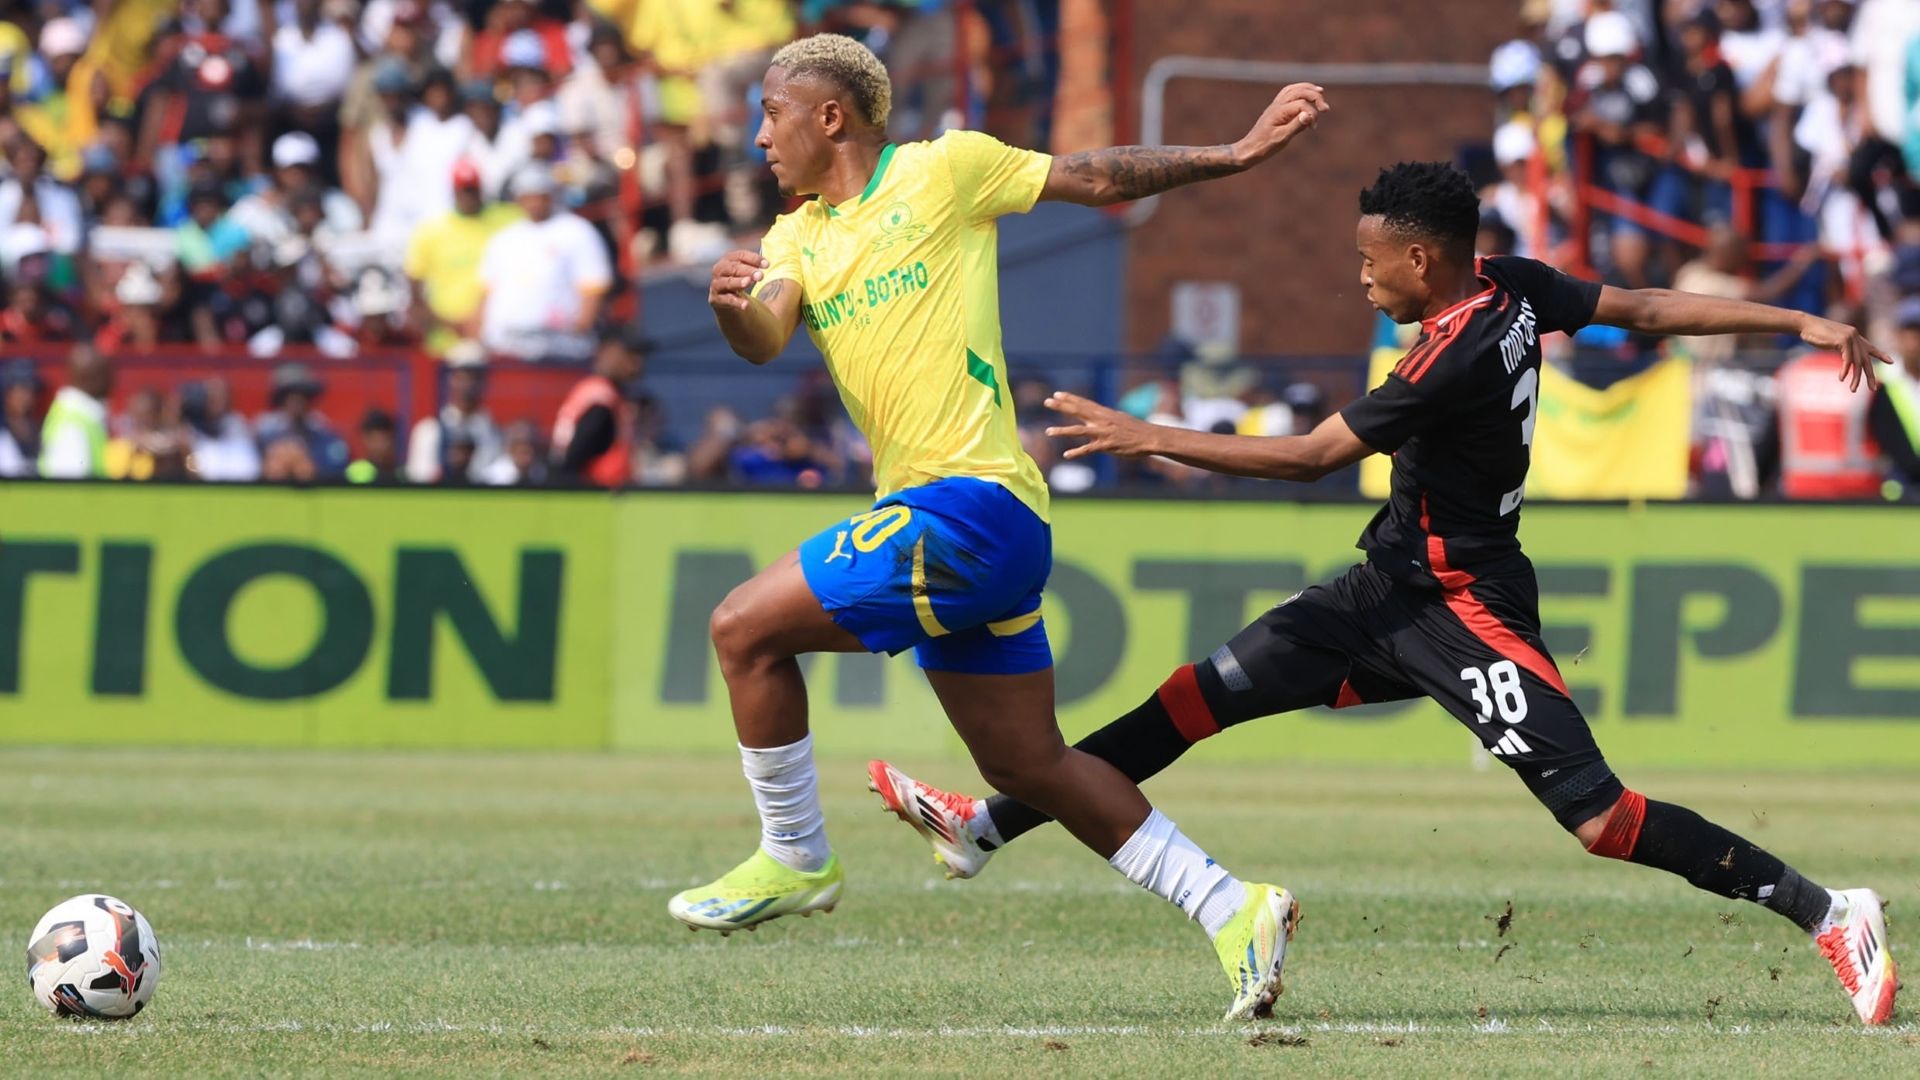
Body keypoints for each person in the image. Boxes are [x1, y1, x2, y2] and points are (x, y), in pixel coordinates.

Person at [870, 161, 1900, 1028]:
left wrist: (1156, 439)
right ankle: (987, 827)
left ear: (1419, 259)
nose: (1358, 280)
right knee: (1191, 699)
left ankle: (1828, 911)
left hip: (1463, 610)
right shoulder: (1510, 289)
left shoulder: (1451, 352)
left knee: (1598, 818)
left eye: (1369, 262)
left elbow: (1314, 457)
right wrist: (1792, 316)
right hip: (1380, 594)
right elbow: (1642, 308)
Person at [678, 32, 1331, 1020]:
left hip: (970, 506)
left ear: (830, 117)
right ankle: (1234, 907)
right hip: (972, 528)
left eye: (772, 112)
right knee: (1029, 768)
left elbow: (1098, 178)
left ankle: (795, 856)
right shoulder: (794, 240)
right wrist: (732, 307)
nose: (757, 134)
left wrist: (1233, 154)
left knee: (739, 627)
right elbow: (766, 334)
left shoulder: (946, 171)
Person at [473, 163, 612, 362]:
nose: (535, 203)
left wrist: (579, 329)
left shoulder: (576, 231)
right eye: (528, 196)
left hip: (557, 346)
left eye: (540, 195)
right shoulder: (503, 239)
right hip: (504, 346)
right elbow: (484, 296)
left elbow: (593, 289)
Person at [403, 159, 522, 357]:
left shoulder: (507, 219)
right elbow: (415, 295)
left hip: (496, 337)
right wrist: (453, 326)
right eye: (463, 190)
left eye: (472, 189)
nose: (468, 196)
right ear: (453, 191)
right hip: (447, 340)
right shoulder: (431, 231)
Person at [550, 330, 643, 487]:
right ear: (605, 351)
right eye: (629, 355)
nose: (636, 364)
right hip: (592, 497)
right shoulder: (601, 402)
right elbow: (574, 459)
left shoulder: (593, 390)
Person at [406, 342, 503, 482]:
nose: (469, 384)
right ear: (450, 379)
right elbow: (419, 480)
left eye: (476, 377)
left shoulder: (494, 433)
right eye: (462, 376)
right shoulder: (429, 431)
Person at [255, 362, 350, 480]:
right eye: (290, 396)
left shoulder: (326, 436)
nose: (297, 401)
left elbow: (338, 470)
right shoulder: (263, 436)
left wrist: (304, 464)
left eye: (303, 395)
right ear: (280, 400)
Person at [1867, 294, 1920, 495]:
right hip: (1895, 484)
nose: (1915, 340)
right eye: (1910, 332)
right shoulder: (1880, 379)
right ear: (1898, 335)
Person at [38, 344, 112, 479]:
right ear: (93, 378)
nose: (113, 381)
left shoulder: (82, 417)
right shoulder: (72, 425)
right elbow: (69, 490)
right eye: (107, 374)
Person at [0, 358, 44, 477]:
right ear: (7, 393)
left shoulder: (40, 429)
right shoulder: (3, 433)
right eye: (21, 389)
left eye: (31, 389)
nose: (27, 396)